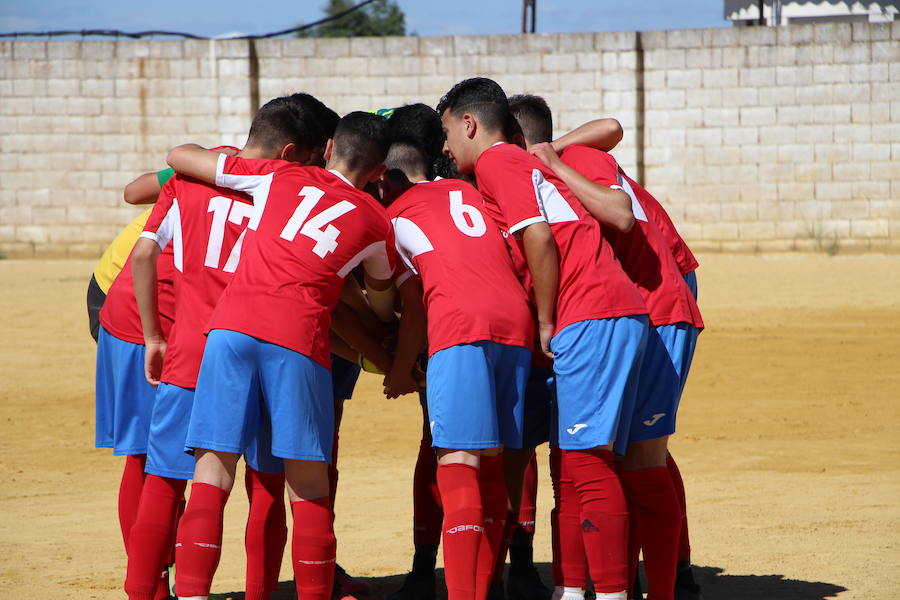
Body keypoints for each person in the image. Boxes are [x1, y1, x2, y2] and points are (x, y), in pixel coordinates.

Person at [163, 111, 416, 600]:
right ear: (380, 171)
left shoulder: (283, 176)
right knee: (306, 483)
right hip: (298, 339)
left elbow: (178, 157)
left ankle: (191, 595)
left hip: (230, 330)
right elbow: (382, 303)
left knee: (212, 473)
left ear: (326, 149)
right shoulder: (375, 221)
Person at [438, 78, 649, 600]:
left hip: (589, 312)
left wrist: (547, 320)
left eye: (447, 132)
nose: (445, 146)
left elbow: (538, 235)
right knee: (578, 462)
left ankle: (614, 592)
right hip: (607, 311)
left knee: (588, 464)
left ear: (469, 124)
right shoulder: (520, 165)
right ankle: (574, 589)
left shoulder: (496, 162)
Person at [126, 94, 335, 600]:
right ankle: (260, 592)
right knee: (266, 485)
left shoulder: (194, 175)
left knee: (168, 482)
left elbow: (144, 254)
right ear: (292, 154)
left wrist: (155, 334)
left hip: (192, 350)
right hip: (270, 351)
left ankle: (143, 593)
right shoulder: (293, 190)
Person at [514, 94, 703, 600]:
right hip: (631, 310)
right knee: (610, 459)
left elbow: (613, 152)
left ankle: (666, 584)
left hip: (657, 306)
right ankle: (600, 582)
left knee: (642, 459)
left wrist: (550, 157)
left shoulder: (574, 163)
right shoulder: (545, 170)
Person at [381, 124, 535, 600]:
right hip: (517, 327)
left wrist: (400, 370)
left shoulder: (394, 215)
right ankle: (489, 587)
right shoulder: (468, 192)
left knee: (459, 463)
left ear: (387, 179)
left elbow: (411, 310)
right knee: (494, 465)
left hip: (459, 328)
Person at [93, 171, 178, 600]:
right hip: (131, 303)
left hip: (150, 298)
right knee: (147, 455)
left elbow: (133, 192)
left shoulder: (216, 161)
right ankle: (149, 583)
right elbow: (132, 194)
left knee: (162, 456)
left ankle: (157, 571)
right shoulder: (218, 163)